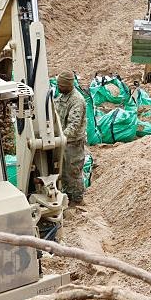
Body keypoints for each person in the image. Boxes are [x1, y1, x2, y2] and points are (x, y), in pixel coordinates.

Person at [54, 71, 87, 206]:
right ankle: (68, 196)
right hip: (64, 142)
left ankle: (77, 200)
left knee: (73, 172)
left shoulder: (77, 100)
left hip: (73, 143)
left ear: (68, 86)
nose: (58, 87)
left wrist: (61, 138)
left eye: (60, 85)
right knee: (63, 172)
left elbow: (74, 125)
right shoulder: (62, 96)